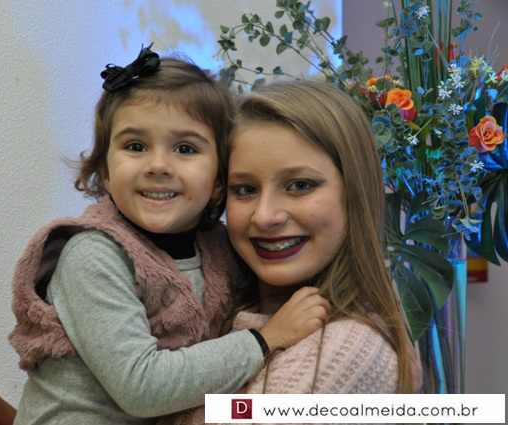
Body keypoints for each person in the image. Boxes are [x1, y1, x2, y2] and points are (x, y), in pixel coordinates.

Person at [8, 46, 331, 425]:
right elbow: (142, 388)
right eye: (135, 146)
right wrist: (265, 339)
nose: (158, 165)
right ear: (105, 172)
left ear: (219, 180)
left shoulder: (220, 249)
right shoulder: (94, 255)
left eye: (184, 148)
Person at [160, 79, 422, 425]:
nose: (265, 216)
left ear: (355, 194)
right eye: (246, 189)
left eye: (300, 185)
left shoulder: (345, 351)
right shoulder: (213, 311)